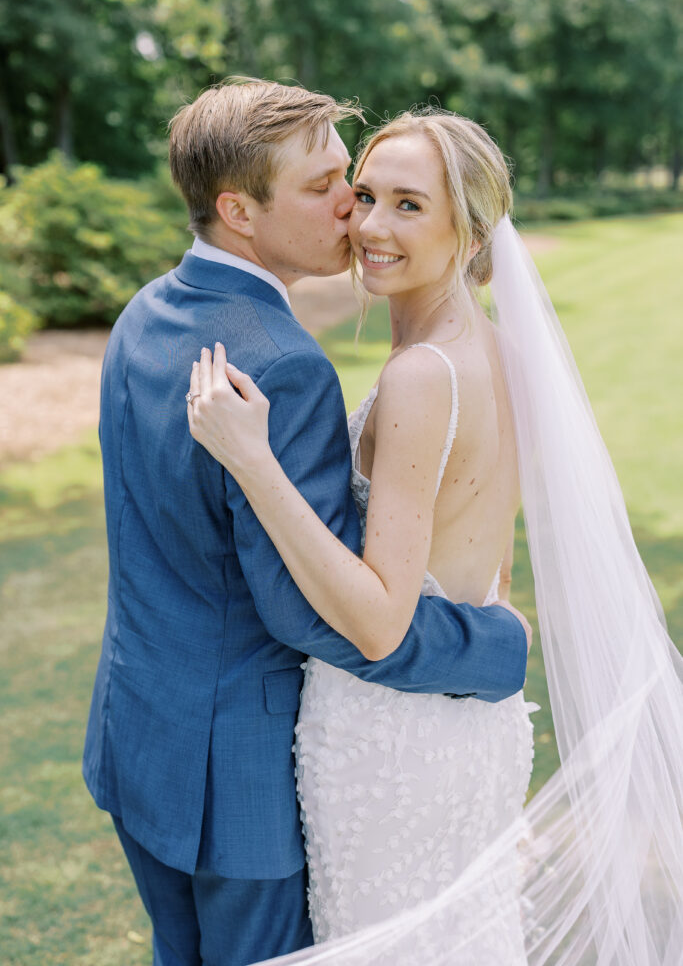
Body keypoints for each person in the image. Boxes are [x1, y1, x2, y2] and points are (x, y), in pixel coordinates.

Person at [188, 109, 683, 965]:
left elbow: (381, 622)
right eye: (366, 195)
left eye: (409, 205)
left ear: (472, 229)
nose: (372, 226)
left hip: (392, 739)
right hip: (467, 732)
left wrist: (251, 462)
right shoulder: (496, 351)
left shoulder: (424, 375)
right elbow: (484, 568)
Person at [82, 80, 532, 966]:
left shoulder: (145, 314)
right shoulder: (280, 363)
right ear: (238, 211)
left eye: (361, 187)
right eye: (333, 187)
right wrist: (492, 648)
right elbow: (310, 611)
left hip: (138, 738)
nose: (352, 213)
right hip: (233, 779)